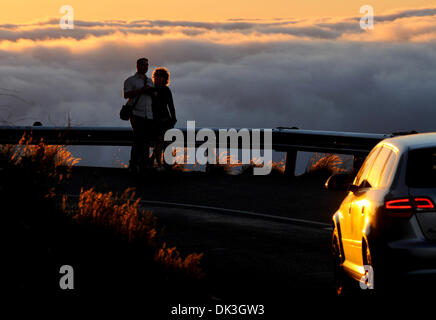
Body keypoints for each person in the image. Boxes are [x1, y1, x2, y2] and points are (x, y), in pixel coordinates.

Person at [123, 58, 156, 173]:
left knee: (145, 141)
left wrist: (151, 92)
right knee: (138, 140)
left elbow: (153, 96)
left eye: (147, 65)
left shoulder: (149, 81)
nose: (145, 67)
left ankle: (143, 165)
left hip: (149, 115)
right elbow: (126, 95)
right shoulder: (130, 81)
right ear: (137, 66)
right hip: (136, 114)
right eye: (143, 65)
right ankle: (134, 164)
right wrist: (142, 90)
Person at [150, 67, 177, 169]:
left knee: (166, 144)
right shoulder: (151, 89)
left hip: (166, 121)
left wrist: (173, 118)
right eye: (156, 76)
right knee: (159, 142)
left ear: (165, 79)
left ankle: (166, 165)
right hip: (156, 122)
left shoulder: (166, 90)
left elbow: (170, 105)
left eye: (160, 76)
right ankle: (160, 165)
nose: (158, 78)